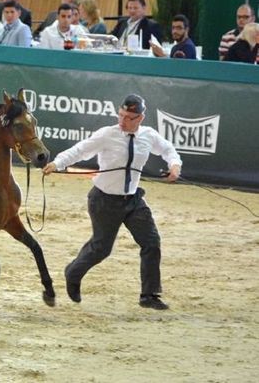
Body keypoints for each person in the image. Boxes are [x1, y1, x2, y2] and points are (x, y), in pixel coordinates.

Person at [42, 94, 182, 310]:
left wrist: (174, 166)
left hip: (133, 199)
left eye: (129, 118)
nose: (123, 121)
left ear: (140, 118)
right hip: (104, 200)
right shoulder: (107, 134)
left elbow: (167, 149)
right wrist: (57, 163)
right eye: (121, 115)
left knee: (152, 242)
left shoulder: (148, 135)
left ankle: (149, 295)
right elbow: (80, 150)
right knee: (101, 248)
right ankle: (73, 273)